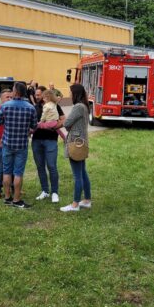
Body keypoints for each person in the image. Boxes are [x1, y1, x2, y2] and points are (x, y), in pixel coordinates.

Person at [0, 82, 38, 209]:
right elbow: (34, 126)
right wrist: (26, 130)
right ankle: (17, 199)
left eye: (13, 90)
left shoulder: (5, 106)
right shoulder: (30, 107)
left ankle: (7, 198)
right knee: (18, 173)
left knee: (6, 171)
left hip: (7, 143)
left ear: (16, 92)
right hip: (21, 145)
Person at [60, 84, 92, 212]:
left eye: (70, 92)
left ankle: (75, 204)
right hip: (81, 142)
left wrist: (68, 124)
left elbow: (67, 123)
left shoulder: (78, 107)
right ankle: (87, 200)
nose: (69, 94)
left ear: (75, 93)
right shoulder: (84, 106)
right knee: (83, 173)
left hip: (75, 144)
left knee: (77, 175)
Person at [32, 87, 65, 204]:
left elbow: (63, 120)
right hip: (36, 141)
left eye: (40, 94)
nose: (38, 97)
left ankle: (54, 192)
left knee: (51, 166)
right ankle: (45, 190)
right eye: (36, 95)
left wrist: (53, 126)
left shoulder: (54, 105)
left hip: (50, 140)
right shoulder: (34, 107)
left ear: (46, 95)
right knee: (40, 166)